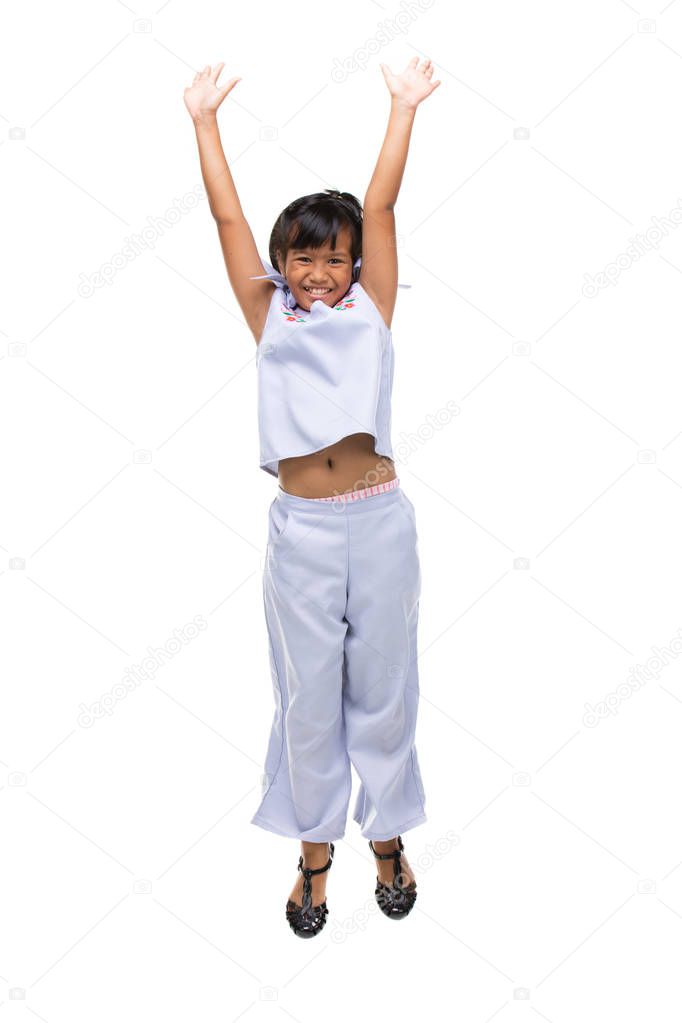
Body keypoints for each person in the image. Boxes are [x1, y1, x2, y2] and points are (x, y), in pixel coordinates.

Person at [184, 57, 441, 938]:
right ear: (283, 263)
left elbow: (382, 206)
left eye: (335, 259)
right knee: (307, 695)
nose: (320, 272)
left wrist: (401, 108)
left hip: (376, 522)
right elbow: (225, 216)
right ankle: (314, 849)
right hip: (302, 530)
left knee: (385, 685)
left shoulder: (373, 312)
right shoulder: (271, 318)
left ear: (356, 264)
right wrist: (205, 124)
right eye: (304, 257)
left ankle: (388, 839)